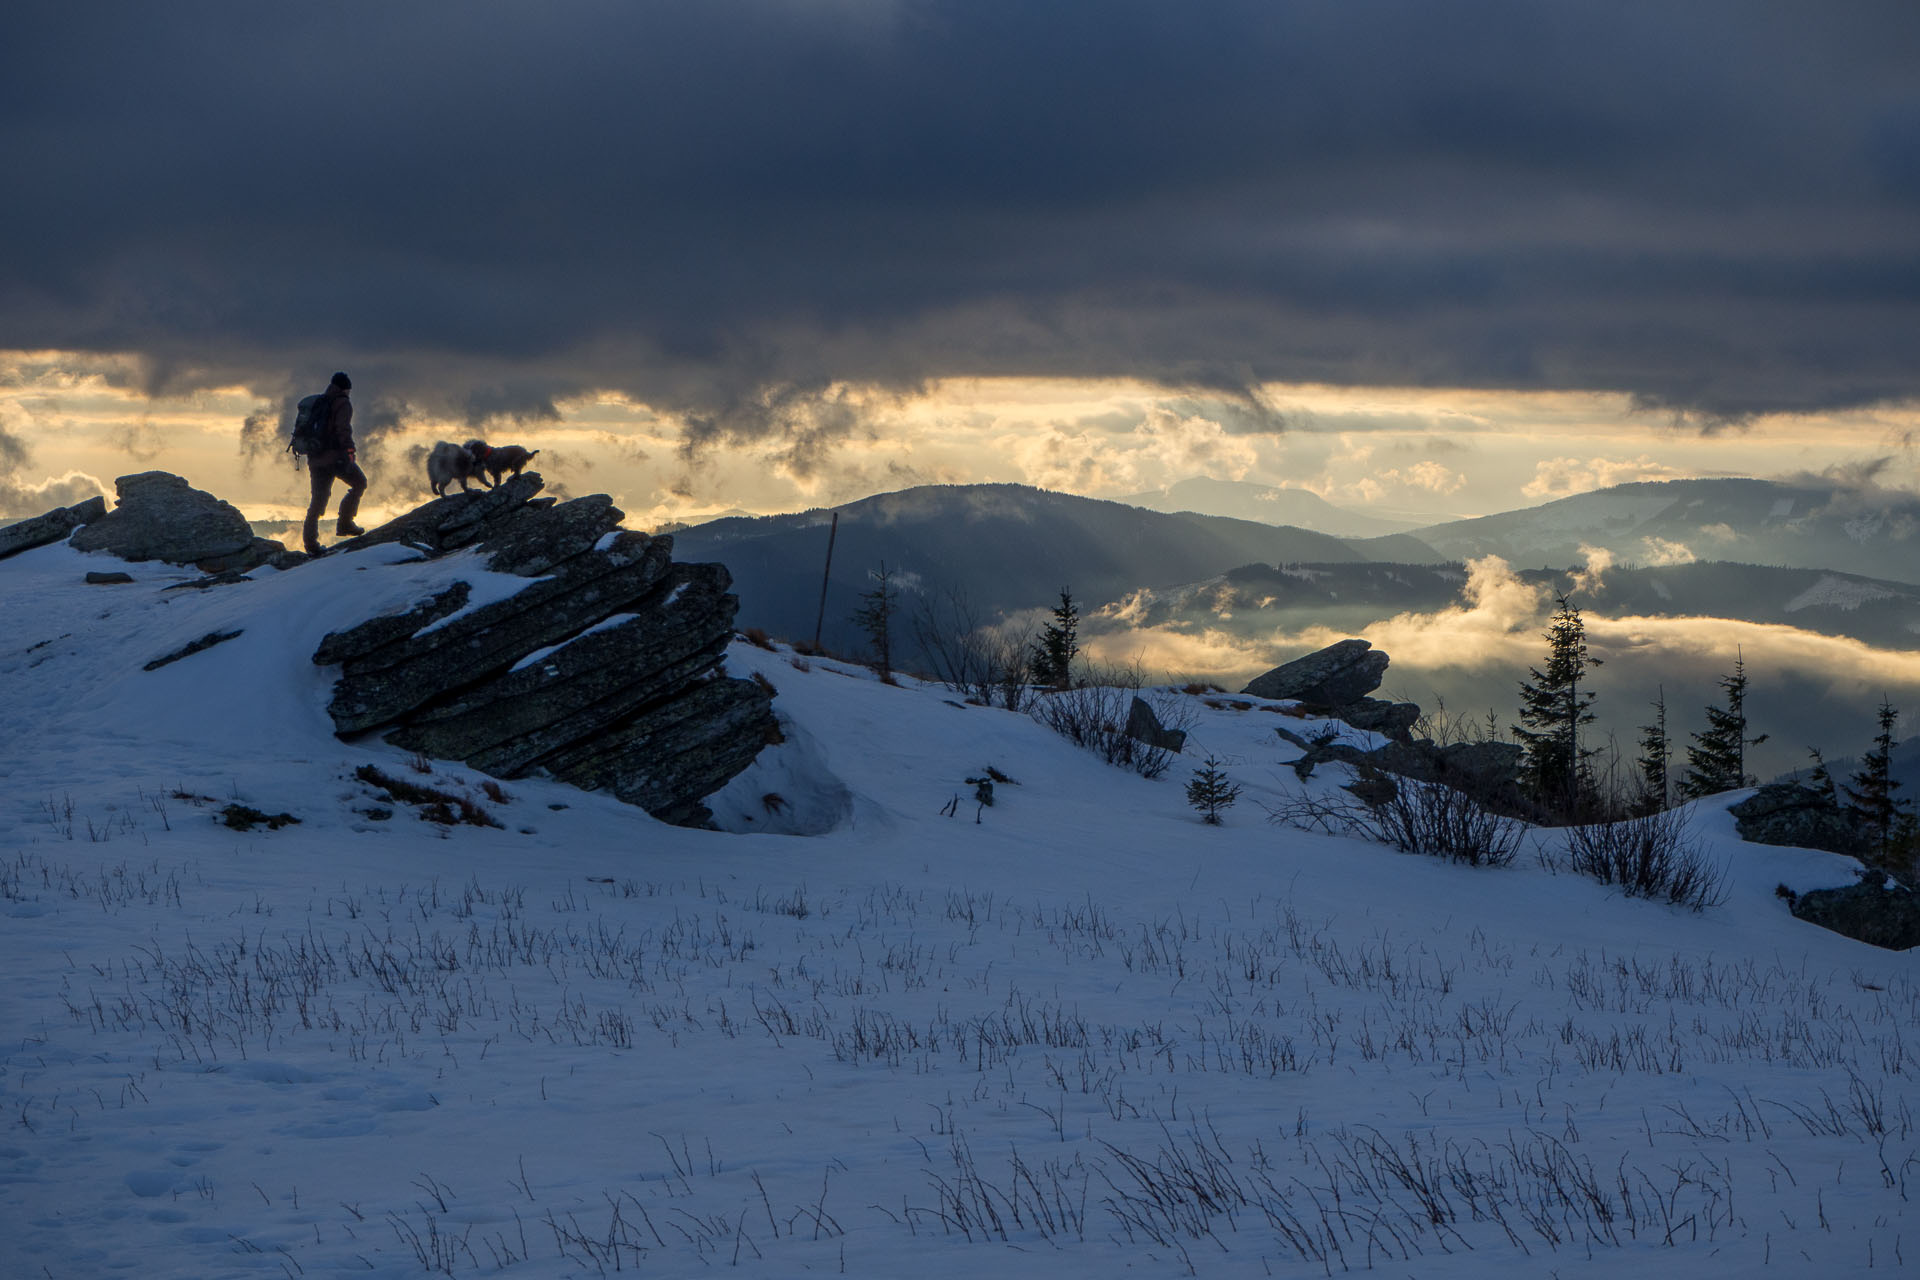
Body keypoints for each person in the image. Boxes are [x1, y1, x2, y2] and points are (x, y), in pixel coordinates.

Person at [302, 371, 367, 555]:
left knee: (317, 501)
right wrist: (350, 450)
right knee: (359, 483)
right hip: (335, 458)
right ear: (346, 389)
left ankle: (311, 544)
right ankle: (345, 523)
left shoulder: (320, 402)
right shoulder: (342, 403)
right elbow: (343, 429)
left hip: (315, 460)